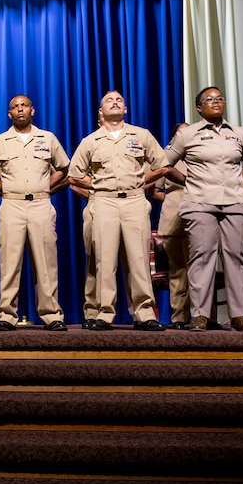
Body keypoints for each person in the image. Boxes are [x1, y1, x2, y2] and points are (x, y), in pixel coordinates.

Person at [160, 86, 243, 332]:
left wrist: (239, 178)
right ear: (199, 107)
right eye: (209, 99)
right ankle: (200, 316)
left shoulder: (240, 134)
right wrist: (187, 180)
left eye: (220, 98)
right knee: (202, 256)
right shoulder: (188, 134)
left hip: (235, 201)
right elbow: (165, 163)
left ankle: (239, 315)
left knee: (236, 257)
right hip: (199, 202)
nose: (216, 102)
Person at [67, 91, 167, 330]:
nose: (115, 102)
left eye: (120, 100)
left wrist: (141, 179)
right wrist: (99, 185)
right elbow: (74, 175)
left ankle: (145, 314)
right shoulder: (91, 141)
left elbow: (162, 166)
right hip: (104, 202)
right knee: (105, 259)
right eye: (109, 100)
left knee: (139, 259)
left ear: (126, 110)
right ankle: (104, 313)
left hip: (133, 200)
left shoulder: (141, 135)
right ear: (100, 112)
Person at [0, 95, 70, 331]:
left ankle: (52, 316)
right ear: (9, 114)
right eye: (15, 107)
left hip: (41, 205)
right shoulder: (0, 141)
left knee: (46, 263)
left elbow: (63, 169)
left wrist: (43, 188)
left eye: (24, 105)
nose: (20, 109)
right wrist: (8, 189)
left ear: (33, 110)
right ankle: (6, 315)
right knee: (9, 263)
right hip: (12, 205)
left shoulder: (47, 138)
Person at [150, 124, 192, 326]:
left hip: (200, 211)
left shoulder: (201, 156)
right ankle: (179, 317)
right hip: (173, 215)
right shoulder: (166, 159)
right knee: (178, 269)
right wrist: (170, 200)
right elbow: (155, 191)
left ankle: (205, 316)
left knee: (202, 268)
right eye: (180, 132)